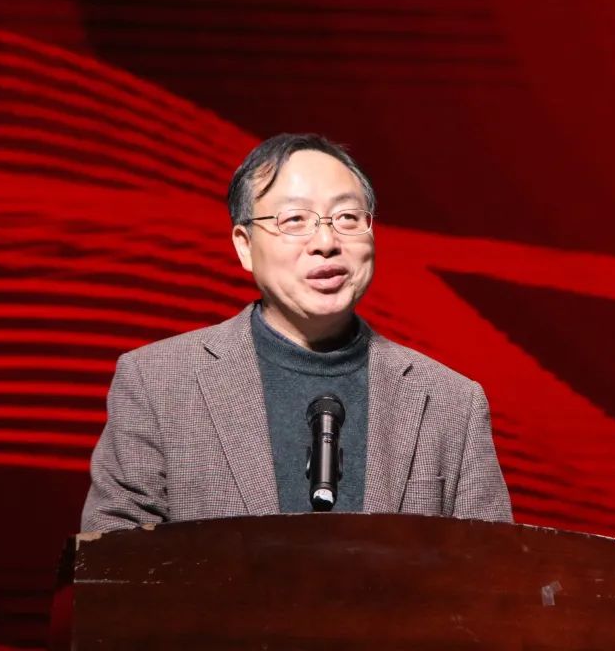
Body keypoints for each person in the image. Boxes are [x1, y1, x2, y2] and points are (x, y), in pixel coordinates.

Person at [81, 133, 512, 530]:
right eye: (294, 220)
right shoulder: (157, 383)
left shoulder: (451, 403)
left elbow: (493, 574)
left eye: (347, 217)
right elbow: (112, 567)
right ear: (244, 245)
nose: (325, 242)